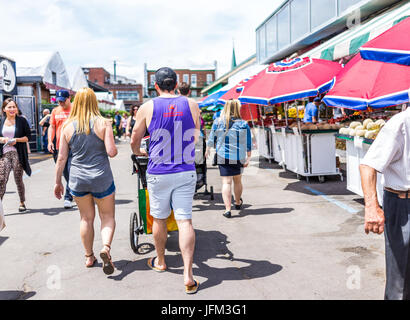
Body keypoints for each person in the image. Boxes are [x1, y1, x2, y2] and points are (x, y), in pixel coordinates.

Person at [130, 67, 201, 294]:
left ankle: (161, 261)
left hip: (159, 171)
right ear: (177, 83)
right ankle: (188, 274)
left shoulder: (147, 107)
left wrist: (139, 151)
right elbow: (197, 135)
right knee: (185, 221)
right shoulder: (191, 104)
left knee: (159, 218)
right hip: (185, 169)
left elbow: (135, 138)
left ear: (157, 86)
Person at [54, 88, 118, 274]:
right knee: (107, 217)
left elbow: (61, 158)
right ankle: (105, 248)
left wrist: (58, 182)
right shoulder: (104, 123)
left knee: (85, 218)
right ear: (94, 102)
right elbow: (111, 152)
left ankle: (89, 257)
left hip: (78, 179)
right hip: (101, 178)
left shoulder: (67, 126)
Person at [360, 106, 410, 300]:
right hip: (403, 204)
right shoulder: (399, 124)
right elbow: (368, 166)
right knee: (401, 282)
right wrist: (372, 208)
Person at [205, 99, 252, 218]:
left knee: (226, 182)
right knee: (237, 180)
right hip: (238, 156)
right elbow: (248, 142)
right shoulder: (243, 123)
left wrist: (207, 150)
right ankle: (237, 202)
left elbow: (211, 138)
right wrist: (249, 157)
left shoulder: (218, 122)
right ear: (237, 108)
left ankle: (227, 209)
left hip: (223, 155)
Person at [0, 98, 32, 212]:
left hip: (18, 153)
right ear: (4, 109)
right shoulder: (1, 121)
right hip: (4, 154)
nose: (12, 109)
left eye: (14, 107)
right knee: (2, 179)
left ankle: (22, 202)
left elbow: (28, 137)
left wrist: (16, 140)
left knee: (18, 179)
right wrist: (2, 139)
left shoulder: (22, 121)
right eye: (9, 107)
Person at [48, 90, 74, 209]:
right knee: (65, 173)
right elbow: (52, 127)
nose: (61, 103)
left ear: (69, 98)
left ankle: (68, 197)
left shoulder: (76, 109)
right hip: (59, 146)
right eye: (59, 101)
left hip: (74, 146)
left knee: (71, 170)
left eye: (63, 101)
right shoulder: (55, 111)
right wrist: (50, 141)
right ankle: (75, 191)